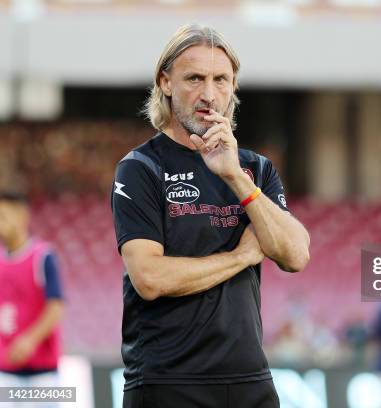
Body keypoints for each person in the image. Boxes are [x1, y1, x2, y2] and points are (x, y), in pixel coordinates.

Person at [111, 24, 310, 408]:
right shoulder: (140, 168)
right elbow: (150, 278)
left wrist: (234, 176)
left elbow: (296, 255)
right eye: (194, 78)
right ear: (165, 83)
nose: (208, 94)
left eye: (221, 80)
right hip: (166, 381)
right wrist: (242, 255)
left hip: (250, 380)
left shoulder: (254, 169)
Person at [0, 191, 65, 404]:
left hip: (42, 373)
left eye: (3, 216)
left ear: (21, 216)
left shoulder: (42, 257)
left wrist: (29, 339)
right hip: (5, 371)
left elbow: (56, 306)